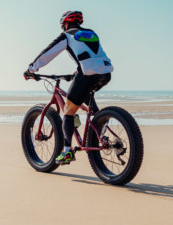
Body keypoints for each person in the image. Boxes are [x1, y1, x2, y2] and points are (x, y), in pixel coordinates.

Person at [25, 10, 113, 165]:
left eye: (62, 26)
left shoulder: (67, 35)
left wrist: (31, 69)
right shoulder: (91, 33)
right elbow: (91, 54)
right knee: (85, 93)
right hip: (105, 72)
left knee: (68, 111)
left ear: (65, 23)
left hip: (86, 74)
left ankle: (67, 151)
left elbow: (48, 53)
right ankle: (100, 118)